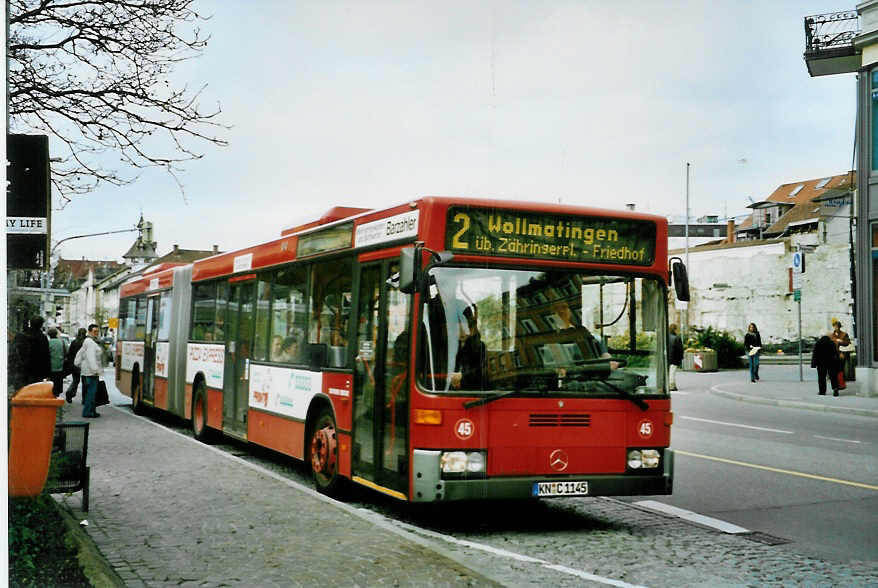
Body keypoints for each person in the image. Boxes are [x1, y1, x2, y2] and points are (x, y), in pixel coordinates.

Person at [9, 316, 51, 392]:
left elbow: (13, 353)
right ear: (41, 325)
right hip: (37, 371)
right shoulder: (42, 338)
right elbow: (46, 357)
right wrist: (47, 374)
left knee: (21, 392)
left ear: (30, 323)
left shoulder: (20, 336)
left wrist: (12, 369)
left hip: (21, 371)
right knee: (34, 393)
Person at [450, 304, 487, 390]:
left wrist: (462, 377)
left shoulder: (479, 347)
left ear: (471, 328)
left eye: (465, 327)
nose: (461, 331)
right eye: (457, 327)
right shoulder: (452, 348)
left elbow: (482, 372)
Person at [80, 323, 104, 418]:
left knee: (91, 392)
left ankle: (92, 411)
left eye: (98, 331)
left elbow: (80, 354)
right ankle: (88, 412)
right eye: (94, 331)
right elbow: (91, 358)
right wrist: (95, 370)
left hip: (88, 371)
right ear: (89, 332)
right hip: (91, 372)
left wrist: (78, 363)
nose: (96, 333)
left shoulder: (88, 341)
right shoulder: (90, 343)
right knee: (91, 393)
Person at [64, 328, 88, 403]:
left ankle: (70, 393)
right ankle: (84, 399)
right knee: (85, 383)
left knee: (75, 381)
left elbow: (69, 354)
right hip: (84, 365)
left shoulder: (74, 342)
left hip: (75, 364)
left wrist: (71, 363)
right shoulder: (86, 342)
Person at [830, 318, 851, 391]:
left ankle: (841, 384)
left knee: (840, 370)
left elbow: (848, 343)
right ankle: (836, 386)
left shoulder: (844, 334)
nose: (836, 328)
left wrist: (841, 341)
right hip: (833, 355)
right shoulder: (831, 335)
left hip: (842, 355)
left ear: (839, 327)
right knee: (834, 371)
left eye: (837, 326)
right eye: (835, 326)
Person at [47, 327, 68, 398]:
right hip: (61, 366)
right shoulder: (62, 342)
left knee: (51, 384)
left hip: (50, 367)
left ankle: (52, 396)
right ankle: (57, 395)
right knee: (59, 382)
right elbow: (67, 352)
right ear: (56, 334)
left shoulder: (48, 343)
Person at [668, 323, 683, 392]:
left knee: (669, 372)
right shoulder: (677, 338)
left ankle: (669, 385)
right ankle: (671, 386)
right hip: (675, 358)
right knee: (672, 372)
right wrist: (681, 358)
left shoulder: (666, 337)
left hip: (667, 357)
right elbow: (680, 349)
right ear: (675, 329)